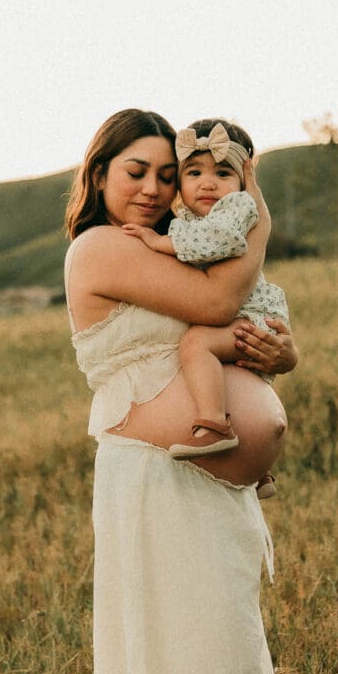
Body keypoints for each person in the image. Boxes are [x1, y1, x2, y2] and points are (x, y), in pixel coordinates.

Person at [39, 109, 296, 674]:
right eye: (135, 173)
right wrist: (259, 210)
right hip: (152, 479)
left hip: (204, 481)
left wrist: (280, 355)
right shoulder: (101, 247)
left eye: (165, 172)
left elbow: (229, 315)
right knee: (175, 650)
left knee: (220, 644)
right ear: (100, 177)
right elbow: (221, 290)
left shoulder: (180, 237)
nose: (152, 190)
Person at [119, 118, 288, 495]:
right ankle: (259, 468)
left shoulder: (237, 208)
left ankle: (214, 424)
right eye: (193, 172)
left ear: (246, 180)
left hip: (251, 316)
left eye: (223, 172)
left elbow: (217, 243)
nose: (208, 183)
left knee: (197, 344)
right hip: (248, 316)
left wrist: (159, 241)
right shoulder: (193, 219)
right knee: (234, 380)